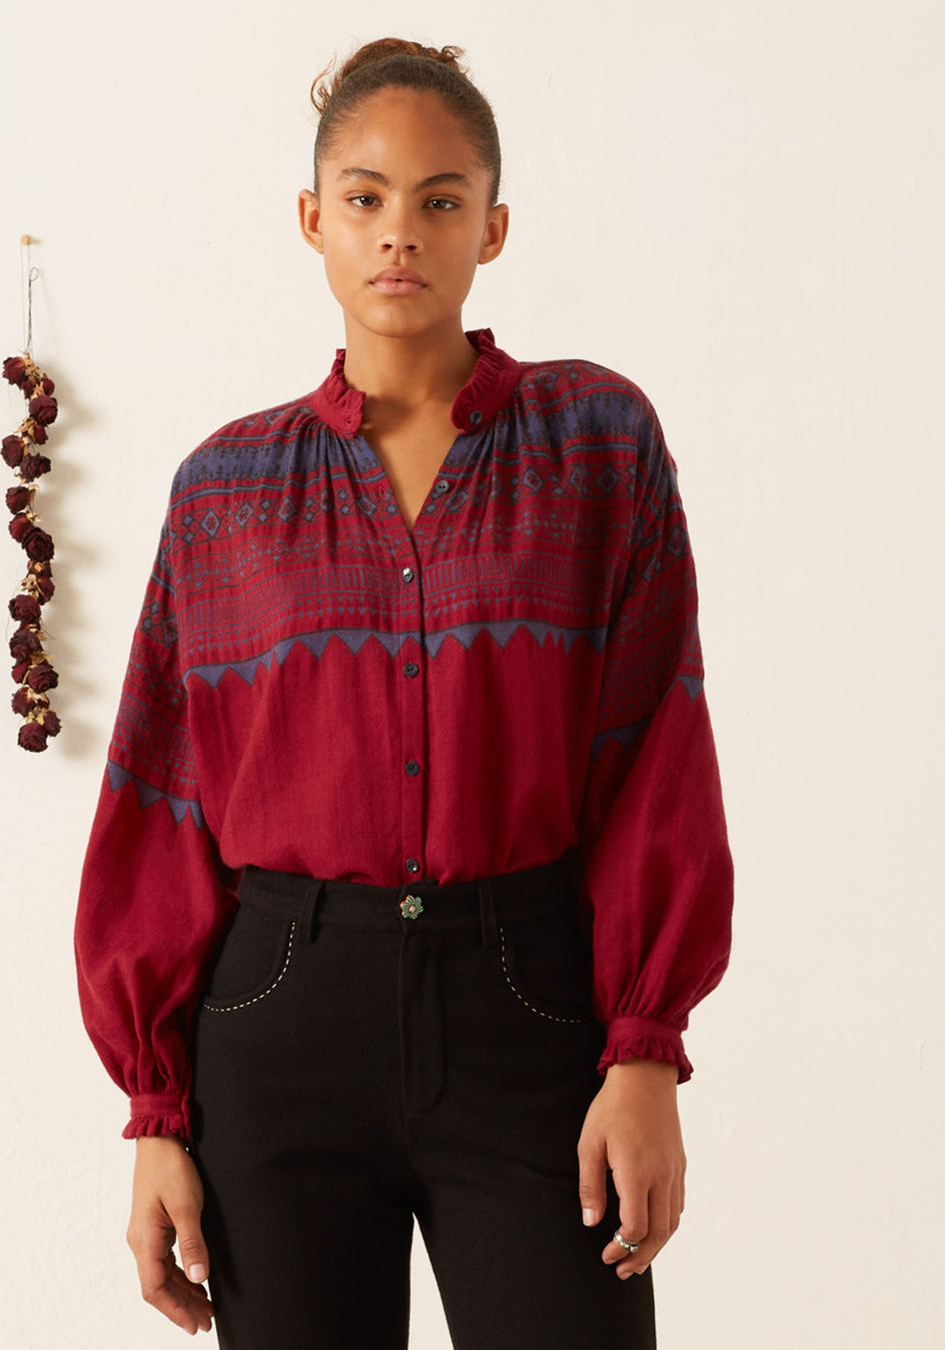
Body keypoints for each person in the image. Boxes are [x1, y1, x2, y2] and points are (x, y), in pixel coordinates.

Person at [73, 35, 734, 1350]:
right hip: (278, 1018)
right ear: (312, 219)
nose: (400, 234)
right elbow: (163, 795)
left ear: (493, 227)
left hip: (529, 1005)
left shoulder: (597, 442)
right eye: (366, 198)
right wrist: (155, 1115)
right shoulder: (224, 492)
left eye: (440, 200)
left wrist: (645, 1043)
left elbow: (660, 745)